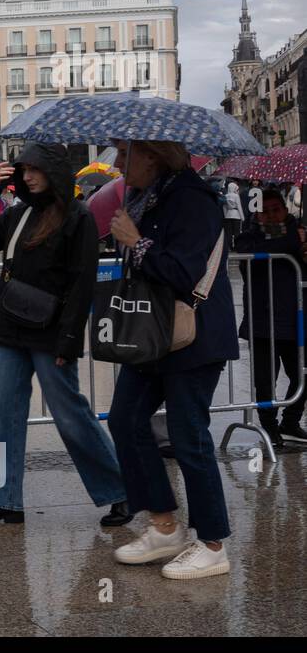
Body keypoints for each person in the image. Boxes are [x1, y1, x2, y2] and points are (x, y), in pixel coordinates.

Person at [0, 143, 129, 527]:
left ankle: (121, 490)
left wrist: (69, 341)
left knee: (70, 414)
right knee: (0, 414)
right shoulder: (19, 214)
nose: (29, 176)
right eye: (24, 169)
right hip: (10, 326)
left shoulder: (77, 218)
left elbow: (81, 283)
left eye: (35, 169)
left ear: (54, 171)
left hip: (52, 332)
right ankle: (0, 498)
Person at [107, 140, 240, 580]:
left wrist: (136, 241)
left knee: (187, 434)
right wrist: (129, 239)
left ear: (153, 155)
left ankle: (213, 543)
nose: (118, 163)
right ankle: (164, 526)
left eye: (125, 154)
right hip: (155, 333)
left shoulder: (192, 199)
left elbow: (184, 273)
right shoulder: (150, 197)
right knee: (125, 419)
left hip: (195, 334)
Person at [233, 188, 307, 448]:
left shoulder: (299, 236)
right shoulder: (247, 238)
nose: (272, 215)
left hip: (294, 320)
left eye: (277, 210)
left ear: (286, 210)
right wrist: (289, 240)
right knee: (266, 380)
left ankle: (290, 420)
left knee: (302, 375)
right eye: (266, 211)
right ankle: (270, 427)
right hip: (262, 322)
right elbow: (253, 255)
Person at [222, 181, 244, 249]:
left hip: (228, 215)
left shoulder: (225, 196)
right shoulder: (236, 196)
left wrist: (225, 215)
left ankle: (229, 246)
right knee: (237, 232)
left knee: (229, 232)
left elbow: (224, 207)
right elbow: (239, 206)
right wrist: (242, 217)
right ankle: (237, 246)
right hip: (236, 215)